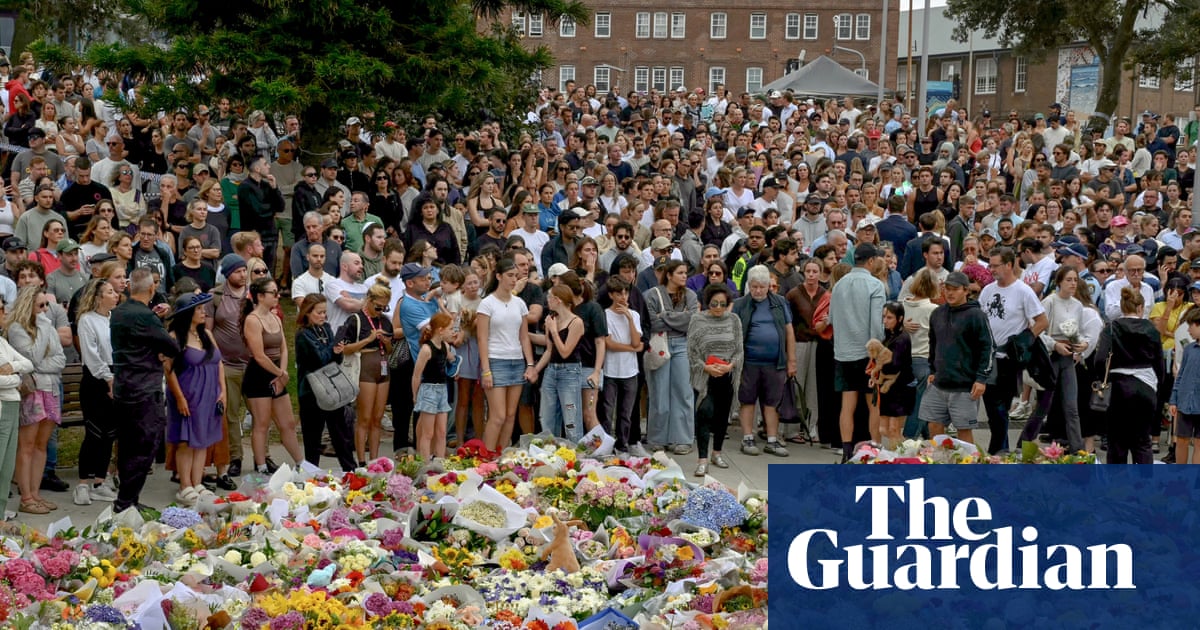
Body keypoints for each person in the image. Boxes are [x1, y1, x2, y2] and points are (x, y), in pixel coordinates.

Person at [110, 268, 179, 514]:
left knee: (127, 445)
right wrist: (158, 326)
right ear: (152, 288)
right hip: (144, 389)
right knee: (144, 446)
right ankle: (126, 502)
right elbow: (171, 346)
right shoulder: (145, 316)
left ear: (130, 287)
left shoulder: (119, 312)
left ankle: (128, 500)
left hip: (123, 387)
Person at [977, 246, 1048, 454]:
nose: (991, 270)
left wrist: (1025, 340)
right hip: (988, 356)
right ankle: (1000, 450)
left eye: (996, 266)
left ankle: (998, 451)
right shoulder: (988, 290)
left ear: (1009, 265)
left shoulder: (1023, 291)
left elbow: (1042, 321)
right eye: (990, 266)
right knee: (992, 408)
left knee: (1000, 407)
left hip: (1008, 358)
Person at [1018, 266, 1091, 453]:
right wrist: (1055, 344)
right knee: (1044, 405)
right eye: (1068, 280)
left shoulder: (1077, 305)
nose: (1073, 284)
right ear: (1059, 282)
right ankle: (1023, 443)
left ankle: (1077, 450)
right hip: (1050, 357)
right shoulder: (1050, 301)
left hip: (1068, 356)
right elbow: (1038, 331)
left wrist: (1083, 344)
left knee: (1071, 406)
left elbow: (1079, 332)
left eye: (1075, 280)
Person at [8, 286, 67, 515]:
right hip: (32, 390)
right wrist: (42, 328)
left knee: (42, 444)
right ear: (28, 305)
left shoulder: (48, 326)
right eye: (40, 305)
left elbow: (60, 359)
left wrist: (41, 364)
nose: (44, 310)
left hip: (51, 388)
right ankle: (26, 497)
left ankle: (35, 493)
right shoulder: (17, 328)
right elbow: (31, 358)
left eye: (47, 305)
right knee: (28, 444)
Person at [164, 292, 225, 507]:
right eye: (198, 309)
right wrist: (180, 398)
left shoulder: (206, 334)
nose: (203, 312)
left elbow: (218, 363)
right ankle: (185, 485)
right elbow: (169, 370)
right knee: (186, 441)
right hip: (188, 394)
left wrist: (222, 391)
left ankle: (198, 483)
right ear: (187, 313)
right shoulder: (174, 338)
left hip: (210, 393)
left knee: (203, 439)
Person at [829, 243, 886, 462]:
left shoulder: (839, 284)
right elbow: (876, 325)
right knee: (873, 405)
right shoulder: (875, 285)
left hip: (843, 352)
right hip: (867, 354)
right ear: (871, 261)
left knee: (847, 405)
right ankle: (875, 450)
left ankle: (846, 451)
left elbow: (832, 318)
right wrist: (877, 354)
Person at [921, 272, 992, 444]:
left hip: (965, 386)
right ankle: (939, 459)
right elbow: (933, 344)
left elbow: (988, 348)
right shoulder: (937, 313)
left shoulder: (976, 315)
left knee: (964, 431)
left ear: (966, 290)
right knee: (933, 426)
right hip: (939, 383)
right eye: (947, 289)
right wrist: (932, 370)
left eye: (955, 289)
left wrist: (981, 379)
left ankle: (967, 462)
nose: (950, 293)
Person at [732, 264, 795, 457]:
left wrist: (791, 360)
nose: (758, 291)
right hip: (748, 362)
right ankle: (747, 438)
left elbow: (789, 331)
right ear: (749, 286)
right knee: (747, 400)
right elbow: (733, 332)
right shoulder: (740, 304)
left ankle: (772, 440)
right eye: (754, 287)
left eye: (762, 287)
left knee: (772, 402)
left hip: (775, 362)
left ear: (769, 286)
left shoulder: (780, 302)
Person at [241, 276, 303, 473]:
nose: (277, 296)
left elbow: (284, 348)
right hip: (259, 375)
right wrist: (279, 373)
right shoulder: (252, 320)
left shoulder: (275, 317)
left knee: (288, 423)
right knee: (262, 423)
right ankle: (261, 466)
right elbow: (259, 355)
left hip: (276, 372)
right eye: (273, 293)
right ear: (260, 296)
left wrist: (282, 373)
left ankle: (301, 463)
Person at [477, 257, 537, 455]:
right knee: (498, 415)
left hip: (517, 361)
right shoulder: (487, 303)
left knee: (511, 415)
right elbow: (482, 338)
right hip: (496, 360)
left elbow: (524, 337)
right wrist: (486, 370)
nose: (513, 280)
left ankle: (500, 455)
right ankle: (486, 457)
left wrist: (530, 364)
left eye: (515, 276)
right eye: (510, 275)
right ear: (499, 276)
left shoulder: (519, 303)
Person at [1096, 286, 1163, 464]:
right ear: (1140, 307)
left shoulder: (1111, 328)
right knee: (1142, 441)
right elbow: (1159, 363)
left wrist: (1102, 379)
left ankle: (1117, 480)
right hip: (1146, 385)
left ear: (1122, 306)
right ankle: (1144, 480)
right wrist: (1158, 386)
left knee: (1116, 442)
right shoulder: (1151, 329)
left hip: (1117, 386)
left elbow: (1100, 359)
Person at [294, 293, 355, 472]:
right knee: (312, 438)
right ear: (307, 312)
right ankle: (311, 475)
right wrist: (332, 348)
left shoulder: (326, 328)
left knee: (340, 434)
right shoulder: (303, 334)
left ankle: (350, 470)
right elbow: (318, 359)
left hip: (331, 388)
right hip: (311, 391)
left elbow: (335, 360)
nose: (323, 316)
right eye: (319, 312)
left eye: (324, 312)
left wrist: (338, 350)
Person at [686, 282, 742, 476]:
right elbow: (691, 351)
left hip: (727, 375)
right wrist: (705, 367)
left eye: (722, 304)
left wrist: (730, 366)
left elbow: (739, 350)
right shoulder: (697, 319)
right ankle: (702, 459)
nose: (718, 308)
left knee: (722, 416)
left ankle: (717, 452)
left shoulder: (734, 320)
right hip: (705, 376)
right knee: (704, 413)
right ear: (707, 303)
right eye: (714, 304)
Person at [73, 279, 119, 506]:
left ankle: (100, 482)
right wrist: (107, 378)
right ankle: (83, 483)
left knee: (109, 433)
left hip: (114, 375)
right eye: (110, 292)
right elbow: (91, 355)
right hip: (95, 379)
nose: (115, 295)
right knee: (94, 432)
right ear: (99, 297)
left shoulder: (114, 318)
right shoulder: (87, 320)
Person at [645, 260, 699, 452]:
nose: (684, 276)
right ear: (669, 275)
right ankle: (657, 438)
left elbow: (692, 321)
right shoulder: (652, 294)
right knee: (659, 392)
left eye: (685, 272)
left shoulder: (690, 295)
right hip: (660, 343)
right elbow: (652, 322)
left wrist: (664, 316)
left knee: (683, 392)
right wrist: (679, 318)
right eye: (680, 272)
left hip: (683, 344)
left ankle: (682, 438)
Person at [342, 278, 393, 465]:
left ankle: (375, 459)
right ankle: (362, 460)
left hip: (383, 368)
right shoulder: (356, 320)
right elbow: (344, 348)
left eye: (385, 308)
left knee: (377, 418)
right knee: (364, 417)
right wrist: (368, 339)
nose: (381, 311)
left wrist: (387, 343)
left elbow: (390, 350)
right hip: (365, 368)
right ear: (369, 301)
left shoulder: (385, 321)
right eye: (378, 307)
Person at [534, 285, 585, 442]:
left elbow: (565, 351)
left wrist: (554, 331)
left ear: (558, 300)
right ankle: (550, 448)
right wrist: (535, 370)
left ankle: (575, 449)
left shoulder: (576, 322)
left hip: (569, 372)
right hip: (551, 370)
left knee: (570, 418)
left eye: (549, 297)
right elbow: (549, 350)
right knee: (546, 416)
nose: (547, 301)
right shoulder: (551, 319)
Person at [601, 276, 643, 453]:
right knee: (607, 411)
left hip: (630, 370)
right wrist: (632, 349)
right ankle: (606, 446)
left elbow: (636, 341)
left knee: (626, 412)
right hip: (610, 370)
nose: (623, 297)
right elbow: (610, 344)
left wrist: (630, 319)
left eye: (625, 293)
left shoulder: (634, 315)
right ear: (611, 295)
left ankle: (622, 444)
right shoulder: (605, 315)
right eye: (619, 293)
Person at [0, 294, 32, 518]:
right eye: (1, 310)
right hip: (2, 406)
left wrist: (12, 367)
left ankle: (1, 514)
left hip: (12, 404)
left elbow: (28, 364)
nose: (5, 314)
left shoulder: (2, 342)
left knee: (7, 465)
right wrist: (16, 380)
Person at [411, 312, 455, 460]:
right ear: (440, 330)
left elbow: (451, 359)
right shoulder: (426, 349)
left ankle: (440, 461)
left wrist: (454, 363)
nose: (452, 332)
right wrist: (415, 395)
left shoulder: (445, 346)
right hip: (429, 389)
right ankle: (425, 462)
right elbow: (417, 375)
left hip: (442, 389)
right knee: (428, 433)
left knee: (441, 432)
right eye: (450, 329)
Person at [877, 302, 915, 448]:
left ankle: (899, 454)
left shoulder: (902, 338)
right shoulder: (889, 336)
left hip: (900, 387)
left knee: (893, 429)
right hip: (888, 386)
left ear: (899, 319)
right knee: (883, 429)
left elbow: (894, 364)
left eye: (889, 318)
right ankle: (906, 448)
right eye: (884, 317)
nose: (885, 321)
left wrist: (879, 369)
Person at [1169, 308, 1200, 464]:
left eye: (1191, 326)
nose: (1188, 330)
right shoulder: (1188, 349)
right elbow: (1180, 376)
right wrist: (1173, 400)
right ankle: (1181, 473)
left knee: (1199, 443)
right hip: (1184, 403)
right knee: (1181, 440)